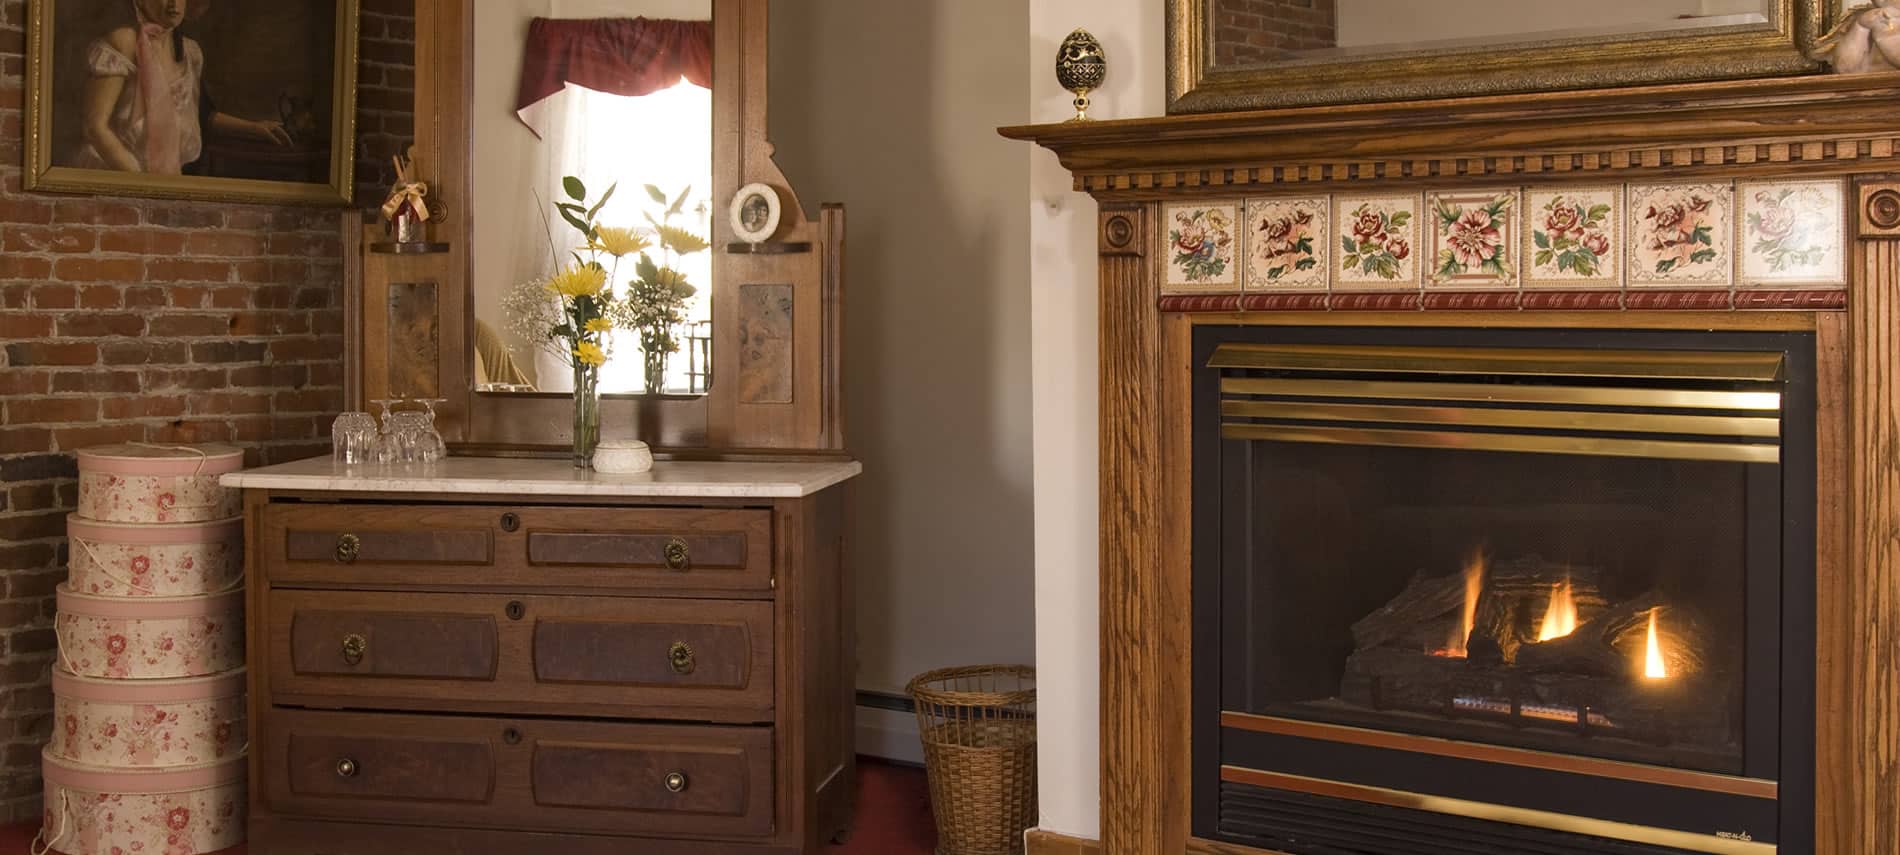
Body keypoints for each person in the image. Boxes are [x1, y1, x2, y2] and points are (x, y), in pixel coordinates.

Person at [76, 0, 291, 175]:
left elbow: (202, 115)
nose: (173, 3)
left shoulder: (190, 53)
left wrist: (254, 128)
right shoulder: (123, 42)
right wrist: (139, 180)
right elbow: (95, 127)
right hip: (115, 171)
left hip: (165, 176)